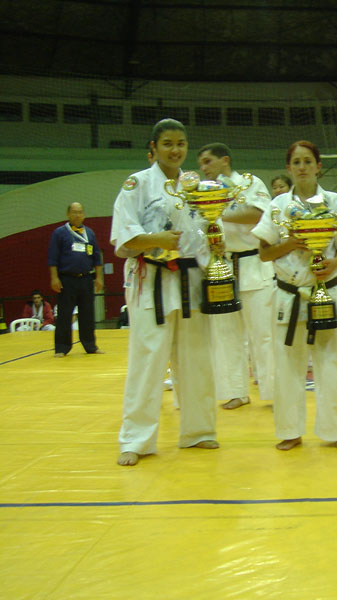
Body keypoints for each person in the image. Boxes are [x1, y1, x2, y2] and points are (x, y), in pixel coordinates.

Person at [110, 118, 219, 466]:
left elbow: (208, 232)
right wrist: (156, 239)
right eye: (168, 143)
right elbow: (124, 238)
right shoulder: (137, 184)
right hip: (150, 280)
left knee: (196, 359)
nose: (175, 150)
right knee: (147, 361)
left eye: (181, 143)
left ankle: (198, 431)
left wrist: (216, 246)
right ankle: (136, 440)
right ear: (154, 148)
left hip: (191, 281)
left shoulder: (196, 187)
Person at [251, 140, 337, 450]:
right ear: (288, 167)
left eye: (308, 161)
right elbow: (264, 253)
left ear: (318, 166)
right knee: (287, 368)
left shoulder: (334, 201)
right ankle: (290, 431)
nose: (302, 167)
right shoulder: (278, 205)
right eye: (296, 162)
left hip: (329, 292)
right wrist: (292, 243)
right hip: (290, 295)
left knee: (334, 365)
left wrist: (334, 263)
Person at [197, 142, 275, 409]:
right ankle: (236, 391)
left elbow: (258, 213)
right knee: (226, 334)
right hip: (223, 265)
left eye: (208, 161)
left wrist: (217, 212)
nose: (203, 168)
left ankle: (273, 391)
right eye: (201, 164)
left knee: (263, 334)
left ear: (225, 161)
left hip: (253, 263)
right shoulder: (201, 192)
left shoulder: (249, 183)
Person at [48, 202, 104, 357]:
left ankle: (90, 346)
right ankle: (61, 348)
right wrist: (54, 278)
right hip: (67, 279)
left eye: (80, 212)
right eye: (74, 212)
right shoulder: (59, 233)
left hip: (86, 279)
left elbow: (97, 258)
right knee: (65, 314)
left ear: (84, 214)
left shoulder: (90, 233)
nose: (77, 215)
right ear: (68, 214)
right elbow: (52, 258)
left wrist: (99, 278)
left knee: (88, 314)